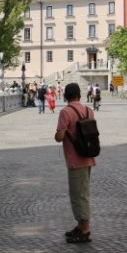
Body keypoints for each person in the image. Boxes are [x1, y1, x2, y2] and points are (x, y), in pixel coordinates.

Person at [54, 83, 95, 244]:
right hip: (88, 155)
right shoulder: (88, 110)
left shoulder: (66, 112)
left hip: (75, 158)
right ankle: (80, 225)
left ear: (66, 96)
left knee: (79, 195)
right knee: (81, 192)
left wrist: (58, 134)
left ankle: (85, 230)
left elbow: (60, 136)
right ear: (79, 94)